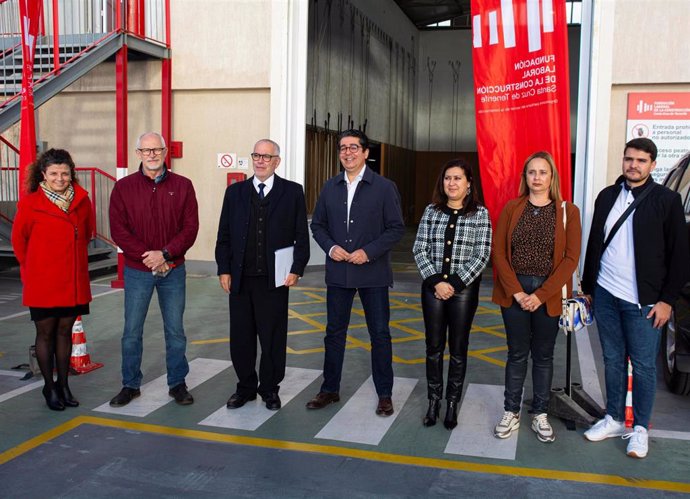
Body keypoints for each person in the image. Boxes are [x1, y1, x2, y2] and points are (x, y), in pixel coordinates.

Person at [582, 138, 690, 458]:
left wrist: (667, 300)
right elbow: (594, 244)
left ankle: (640, 428)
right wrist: (588, 288)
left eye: (641, 160)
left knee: (643, 366)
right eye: (629, 158)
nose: (634, 165)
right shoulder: (606, 196)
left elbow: (680, 257)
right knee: (613, 361)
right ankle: (613, 418)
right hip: (606, 295)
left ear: (653, 165)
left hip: (644, 302)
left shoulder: (666, 201)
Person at [308, 129, 405, 416]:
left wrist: (369, 251)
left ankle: (384, 394)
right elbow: (318, 225)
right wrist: (330, 247)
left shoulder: (384, 187)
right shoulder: (330, 187)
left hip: (372, 273)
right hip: (339, 272)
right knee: (334, 333)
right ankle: (329, 389)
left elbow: (396, 228)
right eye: (342, 148)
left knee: (379, 334)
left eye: (353, 147)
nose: (347, 152)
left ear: (365, 152)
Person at [492, 151, 581, 443]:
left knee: (543, 356)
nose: (537, 178)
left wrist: (541, 295)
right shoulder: (511, 208)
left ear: (552, 177)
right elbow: (500, 253)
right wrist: (517, 291)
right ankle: (511, 412)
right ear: (525, 177)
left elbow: (571, 259)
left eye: (543, 172)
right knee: (516, 354)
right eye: (532, 172)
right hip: (514, 291)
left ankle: (540, 414)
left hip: (549, 293)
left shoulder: (569, 211)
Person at [215, 139, 310, 410]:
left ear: (276, 161)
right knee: (241, 337)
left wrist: (296, 268)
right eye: (256, 155)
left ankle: (269, 388)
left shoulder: (292, 192)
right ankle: (245, 387)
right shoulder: (235, 193)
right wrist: (223, 268)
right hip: (240, 280)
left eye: (266, 157)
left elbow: (300, 236)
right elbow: (224, 235)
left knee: (273, 337)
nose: (260, 160)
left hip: (275, 280)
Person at [108, 132, 199, 407]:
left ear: (164, 152)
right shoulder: (123, 188)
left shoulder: (183, 186)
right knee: (132, 331)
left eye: (157, 149)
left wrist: (166, 254)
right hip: (138, 271)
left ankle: (177, 384)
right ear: (138, 154)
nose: (152, 155)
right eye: (146, 150)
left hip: (173, 269)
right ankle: (130, 384)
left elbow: (190, 228)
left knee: (175, 330)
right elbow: (118, 230)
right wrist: (147, 257)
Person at [12, 149, 94, 411]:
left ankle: (64, 384)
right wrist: (33, 270)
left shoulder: (82, 200)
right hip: (43, 282)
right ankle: (49, 386)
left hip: (72, 280)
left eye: (65, 173)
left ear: (71, 174)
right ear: (43, 175)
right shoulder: (29, 203)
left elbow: (88, 232)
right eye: (54, 173)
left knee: (64, 332)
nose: (60, 178)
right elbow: (19, 241)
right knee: (45, 334)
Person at [413, 159, 492, 429]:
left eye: (458, 178)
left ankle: (451, 403)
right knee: (433, 347)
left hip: (463, 292)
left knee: (458, 349)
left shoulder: (480, 214)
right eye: (448, 178)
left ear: (469, 184)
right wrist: (436, 281)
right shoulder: (431, 212)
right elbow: (419, 249)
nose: (452, 183)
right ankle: (434, 400)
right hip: (432, 289)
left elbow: (482, 255)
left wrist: (454, 285)